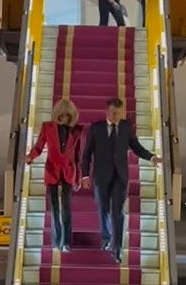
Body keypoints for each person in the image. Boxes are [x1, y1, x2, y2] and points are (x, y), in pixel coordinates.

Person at [81, 98, 162, 263]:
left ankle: (117, 249)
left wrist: (151, 157)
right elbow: (87, 154)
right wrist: (85, 175)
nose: (116, 115)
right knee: (103, 208)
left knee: (118, 213)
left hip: (120, 176)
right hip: (101, 176)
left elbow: (135, 147)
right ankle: (106, 238)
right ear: (107, 112)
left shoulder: (125, 127)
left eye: (118, 113)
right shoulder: (96, 128)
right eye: (113, 112)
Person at [26, 99, 83, 252]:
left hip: (69, 171)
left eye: (67, 115)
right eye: (62, 114)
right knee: (54, 208)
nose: (64, 117)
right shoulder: (47, 127)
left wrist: (79, 177)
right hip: (52, 170)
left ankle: (66, 242)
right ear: (57, 114)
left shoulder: (77, 130)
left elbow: (78, 155)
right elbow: (39, 146)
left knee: (67, 208)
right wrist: (30, 157)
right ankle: (57, 240)